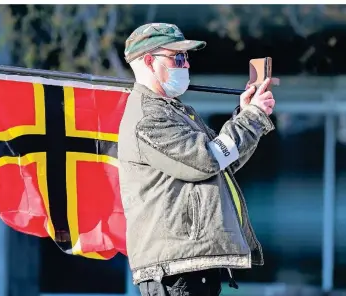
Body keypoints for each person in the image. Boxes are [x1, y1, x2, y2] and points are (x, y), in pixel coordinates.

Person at [118, 23, 276, 296]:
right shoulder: (150, 118)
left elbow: (224, 160)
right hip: (176, 270)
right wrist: (250, 118)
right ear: (148, 61)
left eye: (186, 58)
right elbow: (206, 161)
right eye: (177, 57)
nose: (186, 65)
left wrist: (248, 115)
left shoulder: (173, 112)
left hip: (190, 265)